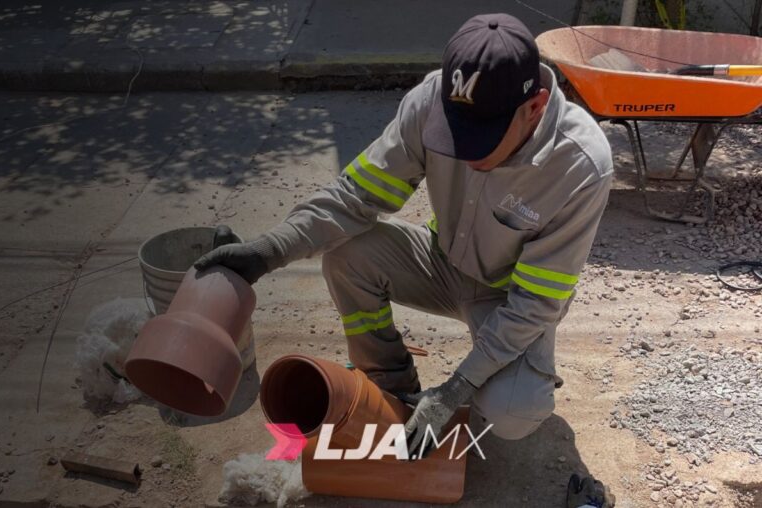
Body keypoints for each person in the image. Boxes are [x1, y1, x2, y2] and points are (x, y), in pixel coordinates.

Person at [196, 13, 614, 507]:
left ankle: (465, 392)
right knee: (348, 254)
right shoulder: (431, 102)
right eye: (456, 133)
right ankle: (392, 389)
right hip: (441, 263)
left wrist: (455, 391)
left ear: (535, 106)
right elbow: (353, 197)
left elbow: (536, 304)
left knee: (513, 411)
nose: (462, 150)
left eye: (480, 139)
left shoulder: (580, 166)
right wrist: (267, 252)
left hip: (505, 300)